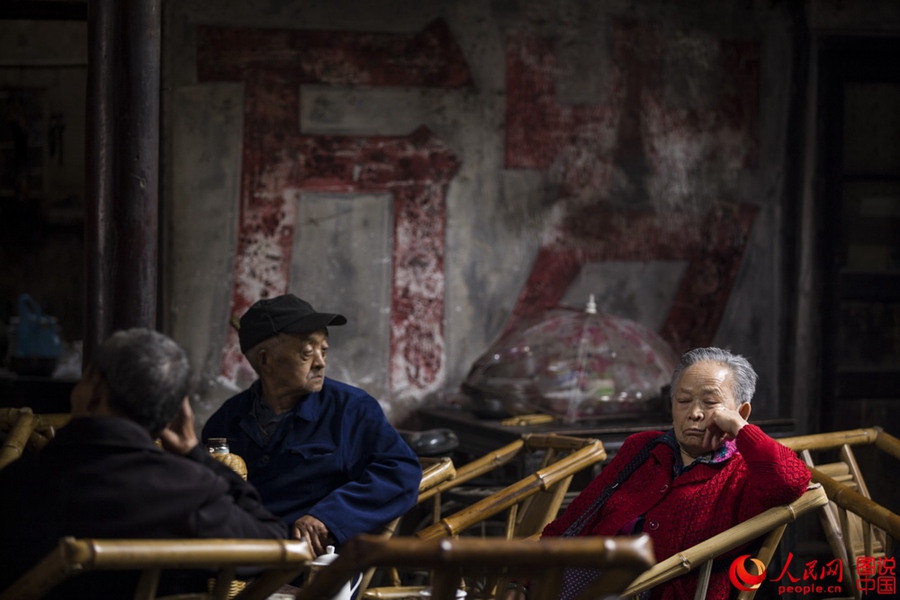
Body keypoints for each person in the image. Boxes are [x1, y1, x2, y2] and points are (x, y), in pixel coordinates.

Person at [0, 328, 288, 599]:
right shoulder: (192, 492)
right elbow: (276, 545)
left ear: (93, 390)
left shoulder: (16, 485)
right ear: (174, 412)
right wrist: (193, 452)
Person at [541, 347, 812, 600]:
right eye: (683, 400)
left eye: (710, 402)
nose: (694, 413)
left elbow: (791, 481)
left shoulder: (744, 474)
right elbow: (575, 518)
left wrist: (740, 429)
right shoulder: (643, 448)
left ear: (741, 411)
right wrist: (530, 578)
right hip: (583, 583)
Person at [202, 294, 421, 556]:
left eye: (323, 350)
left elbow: (401, 472)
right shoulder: (229, 418)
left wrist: (329, 516)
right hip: (237, 552)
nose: (320, 362)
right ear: (265, 360)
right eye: (307, 353)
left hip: (305, 561)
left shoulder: (351, 409)